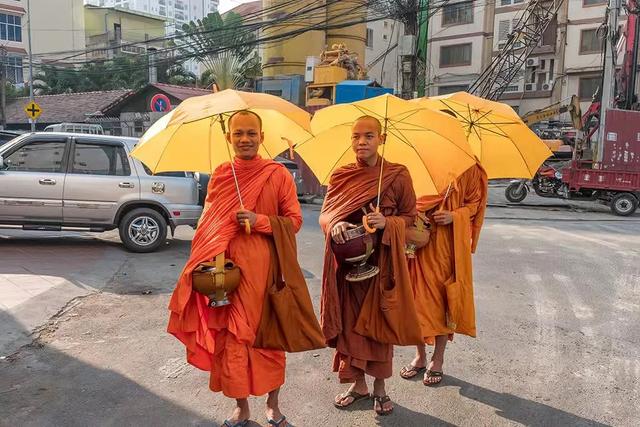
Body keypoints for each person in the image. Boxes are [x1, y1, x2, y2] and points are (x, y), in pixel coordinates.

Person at [167, 111, 302, 427]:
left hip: (267, 273)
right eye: (238, 133)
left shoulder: (277, 175)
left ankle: (273, 404)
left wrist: (260, 221)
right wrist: (207, 254)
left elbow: (294, 222)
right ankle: (241, 406)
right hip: (227, 275)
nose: (245, 139)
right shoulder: (222, 174)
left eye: (251, 133)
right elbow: (208, 222)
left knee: (270, 339)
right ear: (229, 138)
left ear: (262, 137)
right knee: (232, 340)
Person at [319, 115, 420, 416]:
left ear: (381, 138)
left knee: (378, 328)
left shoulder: (398, 175)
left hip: (382, 265)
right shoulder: (342, 176)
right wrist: (335, 223)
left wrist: (386, 222)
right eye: (356, 137)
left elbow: (411, 218)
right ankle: (358, 385)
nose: (361, 142)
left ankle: (380, 389)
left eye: (368, 136)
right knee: (350, 327)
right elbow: (325, 214)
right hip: (349, 268)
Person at [400, 163, 488, 386]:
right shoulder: (425, 158)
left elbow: (475, 205)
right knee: (416, 301)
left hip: (447, 248)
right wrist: (416, 211)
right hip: (419, 243)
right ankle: (419, 356)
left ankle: (437, 359)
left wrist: (453, 216)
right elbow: (411, 196)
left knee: (442, 302)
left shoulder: (472, 168)